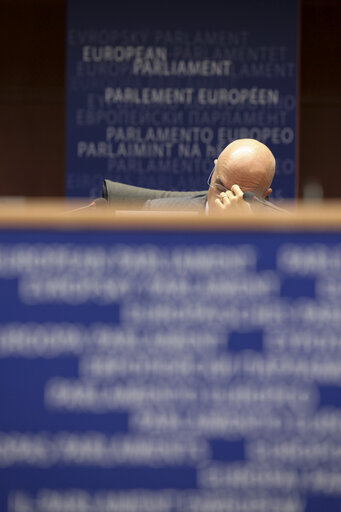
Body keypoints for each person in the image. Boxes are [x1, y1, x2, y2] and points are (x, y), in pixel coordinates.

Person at [144, 138, 276, 212]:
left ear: (264, 196)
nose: (225, 200)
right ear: (214, 171)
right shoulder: (157, 213)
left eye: (240, 197)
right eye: (220, 188)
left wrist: (246, 232)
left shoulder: (285, 232)